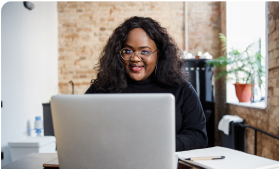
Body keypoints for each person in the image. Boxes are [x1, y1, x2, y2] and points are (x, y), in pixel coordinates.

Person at [85, 16, 208, 151]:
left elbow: (198, 136)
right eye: (128, 51)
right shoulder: (101, 89)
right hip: (111, 165)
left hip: (166, 166)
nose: (135, 58)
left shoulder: (181, 89)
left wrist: (159, 145)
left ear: (158, 54)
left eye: (145, 51)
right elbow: (81, 131)